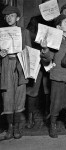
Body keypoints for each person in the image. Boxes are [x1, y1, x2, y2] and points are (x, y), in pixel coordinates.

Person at [40, 14, 66, 138]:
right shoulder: (54, 39)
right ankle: (53, 124)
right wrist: (45, 49)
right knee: (55, 103)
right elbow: (48, 58)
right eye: (65, 22)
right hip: (57, 75)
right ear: (58, 27)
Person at [0, 5, 31, 140]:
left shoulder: (24, 32)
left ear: (17, 18)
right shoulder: (1, 32)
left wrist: (23, 54)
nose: (8, 18)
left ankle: (17, 127)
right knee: (7, 97)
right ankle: (9, 128)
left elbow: (29, 52)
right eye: (6, 16)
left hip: (20, 66)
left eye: (11, 15)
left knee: (19, 97)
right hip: (7, 65)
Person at [26, 0, 53, 128]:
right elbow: (28, 36)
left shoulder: (57, 20)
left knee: (49, 88)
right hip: (36, 57)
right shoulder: (35, 19)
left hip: (50, 58)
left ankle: (48, 114)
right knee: (33, 88)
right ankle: (29, 117)